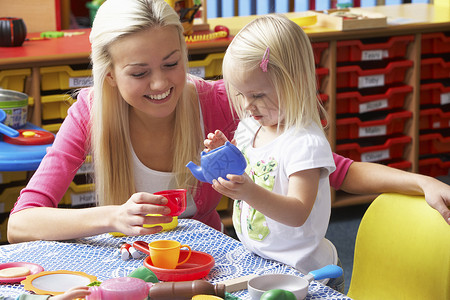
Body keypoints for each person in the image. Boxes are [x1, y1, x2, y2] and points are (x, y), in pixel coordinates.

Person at [7, 0, 449, 244]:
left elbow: (328, 167)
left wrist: (422, 182)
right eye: (139, 73)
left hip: (211, 264)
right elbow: (22, 222)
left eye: (173, 63)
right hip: (134, 258)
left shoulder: (218, 100)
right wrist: (114, 217)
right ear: (108, 75)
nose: (162, 84)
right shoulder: (89, 111)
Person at [203, 14, 345, 291]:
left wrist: (248, 192)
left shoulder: (305, 143)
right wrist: (223, 157)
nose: (247, 106)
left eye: (257, 95)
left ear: (296, 82)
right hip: (262, 262)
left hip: (306, 274)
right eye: (240, 94)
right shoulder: (250, 129)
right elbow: (248, 174)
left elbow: (297, 213)